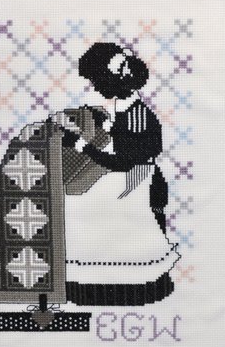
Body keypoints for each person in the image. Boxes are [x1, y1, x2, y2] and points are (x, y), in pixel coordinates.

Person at [62, 42, 180, 306]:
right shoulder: (127, 108)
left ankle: (100, 283)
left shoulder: (137, 116)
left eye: (96, 81)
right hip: (133, 173)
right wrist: (103, 122)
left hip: (138, 180)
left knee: (75, 202)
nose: (95, 87)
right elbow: (123, 135)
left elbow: (121, 162)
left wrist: (82, 145)